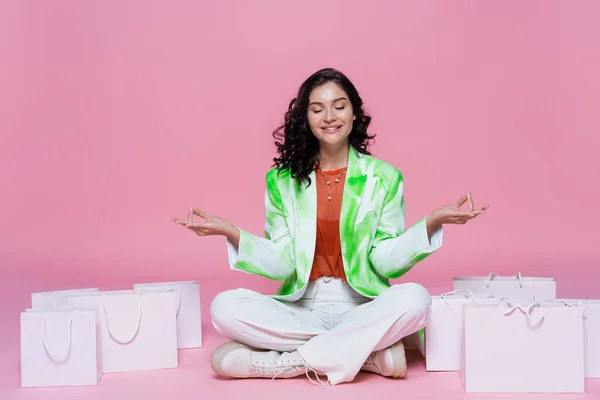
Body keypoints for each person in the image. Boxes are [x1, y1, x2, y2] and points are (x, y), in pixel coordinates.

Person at [171, 68, 488, 386]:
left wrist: (430, 224)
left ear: (354, 114)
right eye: (317, 108)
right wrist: (233, 234)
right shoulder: (281, 180)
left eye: (339, 105)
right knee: (224, 308)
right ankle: (368, 355)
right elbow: (284, 262)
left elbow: (384, 260)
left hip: (363, 304)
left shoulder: (385, 177)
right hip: (303, 305)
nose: (329, 116)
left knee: (417, 300)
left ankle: (287, 363)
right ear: (306, 118)